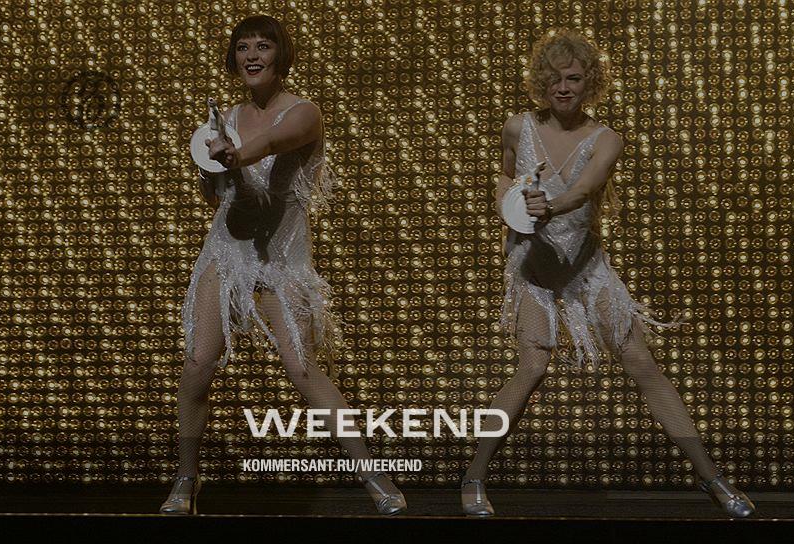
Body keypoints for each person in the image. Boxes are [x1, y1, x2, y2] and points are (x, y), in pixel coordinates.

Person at [460, 29, 755, 518]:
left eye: (573, 78)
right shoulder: (517, 127)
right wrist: (506, 206)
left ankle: (713, 478)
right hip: (534, 266)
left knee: (642, 364)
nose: (562, 88)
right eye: (554, 78)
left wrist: (548, 206)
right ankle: (473, 478)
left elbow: (582, 191)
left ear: (589, 83)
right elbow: (506, 175)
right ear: (541, 81)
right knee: (532, 367)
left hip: (585, 267)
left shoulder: (606, 139)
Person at [159, 15, 405, 516]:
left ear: (280, 55)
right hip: (227, 253)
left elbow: (271, 144)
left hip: (282, 260)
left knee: (302, 367)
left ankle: (373, 476)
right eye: (243, 47)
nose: (252, 56)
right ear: (234, 59)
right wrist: (209, 166)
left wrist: (233, 155)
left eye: (263, 46)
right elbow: (220, 197)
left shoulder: (304, 112)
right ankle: (186, 478)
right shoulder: (223, 121)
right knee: (198, 365)